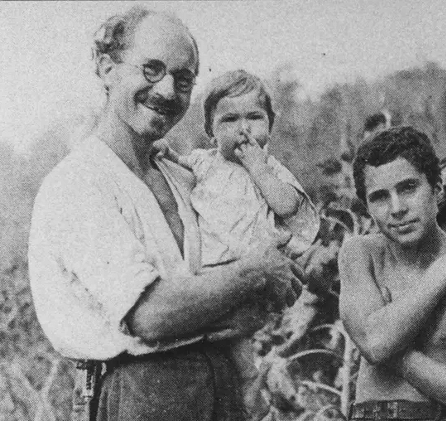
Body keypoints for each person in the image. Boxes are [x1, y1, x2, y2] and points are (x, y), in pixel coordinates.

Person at [28, 7, 302, 421]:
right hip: (139, 390)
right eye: (151, 70)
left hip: (221, 379)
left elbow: (272, 262)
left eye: (184, 78)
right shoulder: (79, 183)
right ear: (107, 68)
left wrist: (272, 282)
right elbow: (150, 316)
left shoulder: (184, 174)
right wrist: (256, 273)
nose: (168, 91)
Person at [158, 69, 320, 419]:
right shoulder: (205, 162)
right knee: (216, 341)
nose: (243, 128)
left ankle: (252, 389)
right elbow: (179, 168)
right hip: (211, 271)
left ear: (270, 126)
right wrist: (166, 151)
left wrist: (257, 167)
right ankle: (239, 389)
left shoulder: (271, 169)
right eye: (229, 120)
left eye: (254, 118)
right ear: (211, 131)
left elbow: (288, 206)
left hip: (253, 272)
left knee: (242, 346)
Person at [338, 126, 446, 421]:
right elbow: (375, 342)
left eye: (407, 188)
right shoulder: (361, 255)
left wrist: (395, 349)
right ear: (366, 208)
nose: (397, 208)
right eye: (380, 197)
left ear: (437, 188)